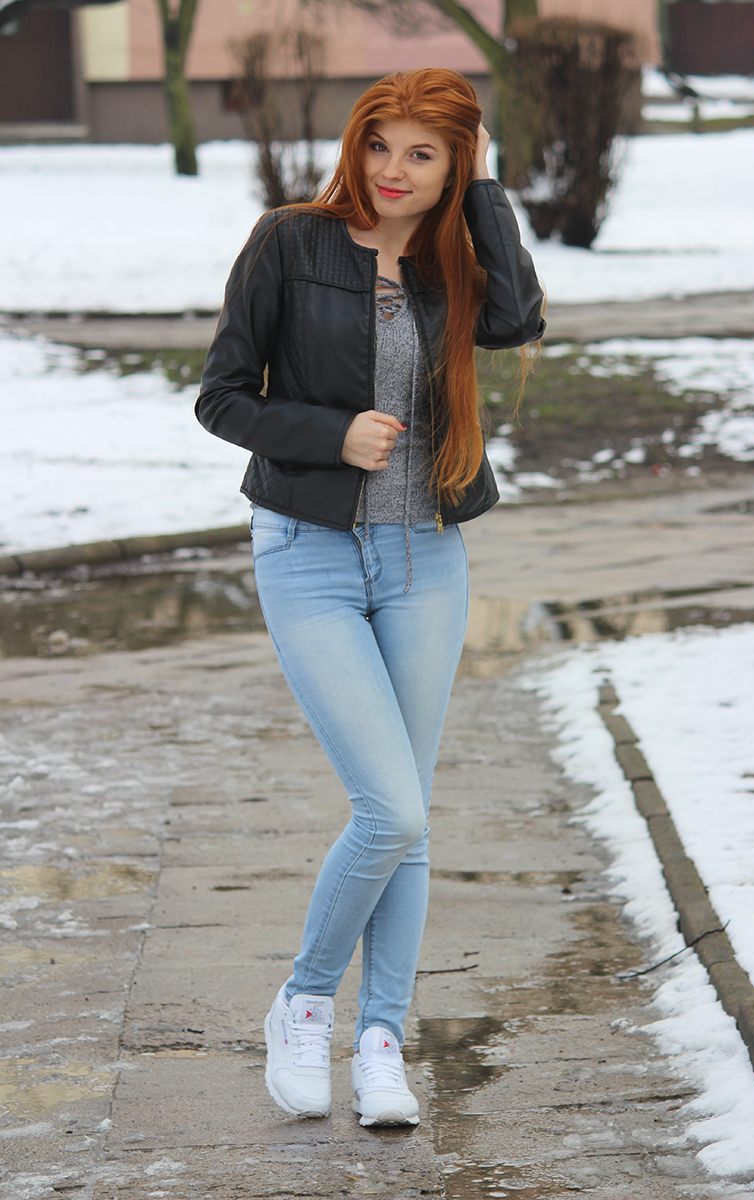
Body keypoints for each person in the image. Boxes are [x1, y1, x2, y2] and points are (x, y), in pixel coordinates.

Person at [195, 67, 545, 1127]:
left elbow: (518, 317)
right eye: (380, 144)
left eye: (423, 154)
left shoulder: (453, 263)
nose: (393, 170)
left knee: (410, 819)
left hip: (424, 556)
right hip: (307, 551)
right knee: (388, 807)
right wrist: (328, 435)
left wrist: (480, 198)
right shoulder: (289, 243)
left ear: (454, 167)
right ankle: (305, 1003)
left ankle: (381, 1041)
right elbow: (220, 397)